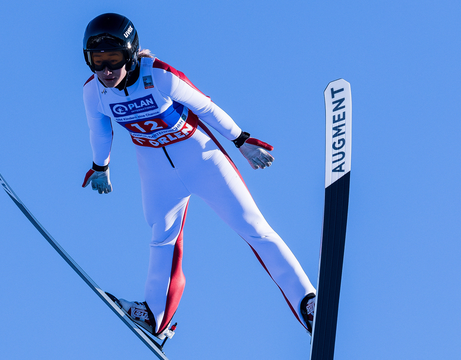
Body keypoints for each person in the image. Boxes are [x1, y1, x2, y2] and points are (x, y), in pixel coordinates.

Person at [81, 13, 316, 338]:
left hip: (201, 159)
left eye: (114, 59)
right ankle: (156, 317)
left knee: (255, 229)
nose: (106, 70)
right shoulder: (94, 92)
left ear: (131, 53)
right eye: (97, 61)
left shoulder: (160, 76)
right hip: (157, 171)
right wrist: (100, 166)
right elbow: (100, 130)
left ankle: (308, 302)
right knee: (162, 239)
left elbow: (205, 106)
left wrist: (241, 140)